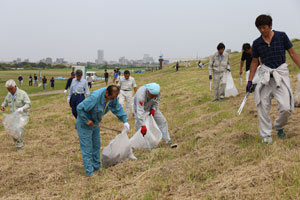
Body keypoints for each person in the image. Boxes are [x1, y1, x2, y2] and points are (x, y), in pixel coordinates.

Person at [246, 14, 300, 144]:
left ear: (270, 26)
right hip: (265, 77)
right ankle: (265, 135)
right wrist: (250, 80)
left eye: (264, 27)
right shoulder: (257, 43)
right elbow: (254, 62)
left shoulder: (281, 36)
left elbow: (292, 53)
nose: (262, 30)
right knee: (262, 106)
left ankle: (279, 126)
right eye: (259, 28)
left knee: (287, 107)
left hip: (280, 75)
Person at [76, 85, 129, 176]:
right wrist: (86, 120)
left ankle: (96, 166)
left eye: (115, 98)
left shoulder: (112, 97)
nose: (113, 100)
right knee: (87, 148)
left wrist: (124, 121)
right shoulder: (95, 97)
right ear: (106, 93)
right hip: (84, 124)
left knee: (96, 145)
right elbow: (80, 108)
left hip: (95, 122)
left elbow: (117, 107)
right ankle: (89, 172)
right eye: (112, 97)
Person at [133, 83, 177, 148]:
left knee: (162, 121)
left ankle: (168, 140)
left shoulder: (157, 93)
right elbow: (140, 111)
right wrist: (142, 125)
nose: (153, 97)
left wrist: (153, 109)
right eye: (152, 95)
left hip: (151, 106)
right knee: (141, 128)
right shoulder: (140, 95)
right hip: (140, 108)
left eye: (155, 96)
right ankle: (145, 145)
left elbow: (156, 101)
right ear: (148, 91)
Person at [1, 79, 31, 150]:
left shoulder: (23, 93)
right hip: (14, 116)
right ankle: (18, 144)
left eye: (11, 89)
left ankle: (19, 145)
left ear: (15, 86)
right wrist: (3, 106)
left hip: (23, 116)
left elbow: (29, 104)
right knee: (13, 130)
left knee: (18, 129)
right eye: (8, 89)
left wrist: (22, 108)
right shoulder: (9, 94)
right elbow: (5, 101)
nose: (10, 91)